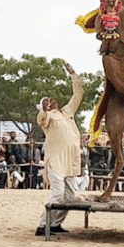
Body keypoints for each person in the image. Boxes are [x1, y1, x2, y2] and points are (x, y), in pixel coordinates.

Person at [35, 62, 83, 237]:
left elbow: (78, 94)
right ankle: (42, 226)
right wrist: (44, 110)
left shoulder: (66, 112)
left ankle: (55, 224)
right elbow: (41, 119)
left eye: (51, 99)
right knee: (57, 195)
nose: (51, 100)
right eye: (46, 101)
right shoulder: (47, 117)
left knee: (69, 197)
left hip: (70, 162)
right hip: (56, 162)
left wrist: (73, 74)